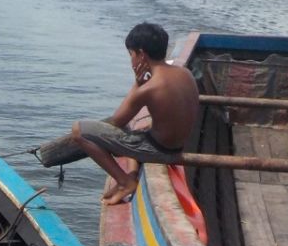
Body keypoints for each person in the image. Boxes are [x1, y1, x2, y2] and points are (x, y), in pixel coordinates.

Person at [71, 22, 199, 205]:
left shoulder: (150, 88)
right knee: (135, 128)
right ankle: (131, 171)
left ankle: (125, 182)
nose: (131, 60)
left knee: (79, 130)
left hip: (159, 151)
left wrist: (137, 84)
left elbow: (116, 121)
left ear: (141, 54)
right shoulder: (186, 73)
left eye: (131, 54)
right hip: (178, 147)